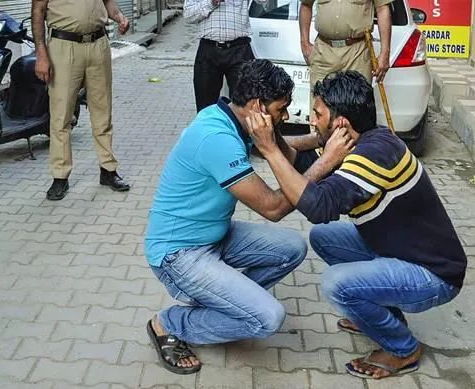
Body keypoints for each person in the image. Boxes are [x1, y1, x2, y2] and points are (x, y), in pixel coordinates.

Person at [246, 71, 467, 381]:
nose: (312, 119)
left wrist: (269, 149)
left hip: (435, 275)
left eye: (318, 114)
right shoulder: (371, 137)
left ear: (341, 125)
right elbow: (302, 163)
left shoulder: (371, 158)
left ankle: (402, 348)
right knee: (324, 238)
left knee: (338, 283)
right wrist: (270, 139)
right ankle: (379, 312)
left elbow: (316, 206)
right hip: (401, 251)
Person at [144, 60, 353, 374]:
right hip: (179, 254)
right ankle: (169, 323)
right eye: (282, 109)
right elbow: (273, 208)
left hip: (214, 237)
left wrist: (320, 141)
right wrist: (326, 163)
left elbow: (282, 149)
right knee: (268, 318)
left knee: (292, 248)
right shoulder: (217, 138)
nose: (286, 115)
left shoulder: (230, 118)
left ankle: (227, 301)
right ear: (257, 106)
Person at [31, 0, 131, 201]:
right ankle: (60, 176)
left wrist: (120, 17)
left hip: (98, 45)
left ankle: (108, 169)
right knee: (60, 114)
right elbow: (37, 11)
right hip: (63, 47)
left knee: (103, 111)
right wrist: (41, 53)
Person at [184, 0, 270, 112]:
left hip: (240, 51)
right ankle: (209, 139)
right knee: (205, 108)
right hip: (209, 51)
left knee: (246, 106)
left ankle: (241, 140)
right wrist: (212, 1)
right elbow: (189, 15)